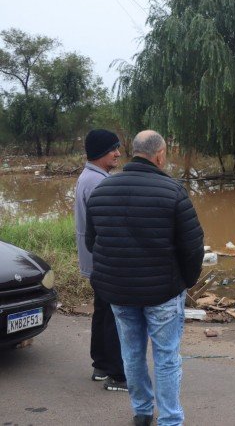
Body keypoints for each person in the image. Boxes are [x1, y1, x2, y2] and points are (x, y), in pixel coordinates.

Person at [85, 130, 204, 426]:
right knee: (166, 356)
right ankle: (170, 419)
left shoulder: (102, 190)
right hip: (162, 291)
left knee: (132, 352)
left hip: (119, 292)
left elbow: (92, 242)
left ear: (132, 151)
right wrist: (185, 281)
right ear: (160, 155)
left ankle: (141, 412)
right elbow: (193, 246)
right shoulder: (172, 190)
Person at [74, 128, 127, 392]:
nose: (117, 153)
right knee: (114, 317)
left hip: (95, 261)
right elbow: (108, 228)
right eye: (112, 149)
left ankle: (101, 366)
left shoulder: (89, 177)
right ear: (99, 152)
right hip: (105, 262)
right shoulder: (98, 182)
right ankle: (118, 375)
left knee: (103, 313)